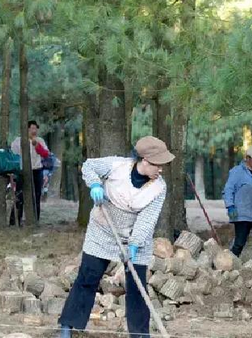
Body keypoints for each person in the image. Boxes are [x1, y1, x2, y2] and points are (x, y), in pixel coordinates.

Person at [58, 136, 174, 338]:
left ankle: (139, 334)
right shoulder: (117, 166)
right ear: (145, 160)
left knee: (138, 286)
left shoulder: (159, 188)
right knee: (88, 276)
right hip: (103, 229)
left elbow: (147, 220)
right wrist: (95, 184)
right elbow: (89, 166)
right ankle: (68, 326)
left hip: (134, 237)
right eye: (158, 164)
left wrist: (135, 244)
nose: (161, 169)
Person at [11, 120, 50, 225]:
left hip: (37, 170)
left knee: (36, 196)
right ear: (27, 129)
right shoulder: (18, 141)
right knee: (19, 196)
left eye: (35, 129)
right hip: (23, 170)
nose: (34, 131)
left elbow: (45, 154)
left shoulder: (40, 140)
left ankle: (34, 221)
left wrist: (36, 145)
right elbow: (13, 154)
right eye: (32, 128)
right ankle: (14, 221)